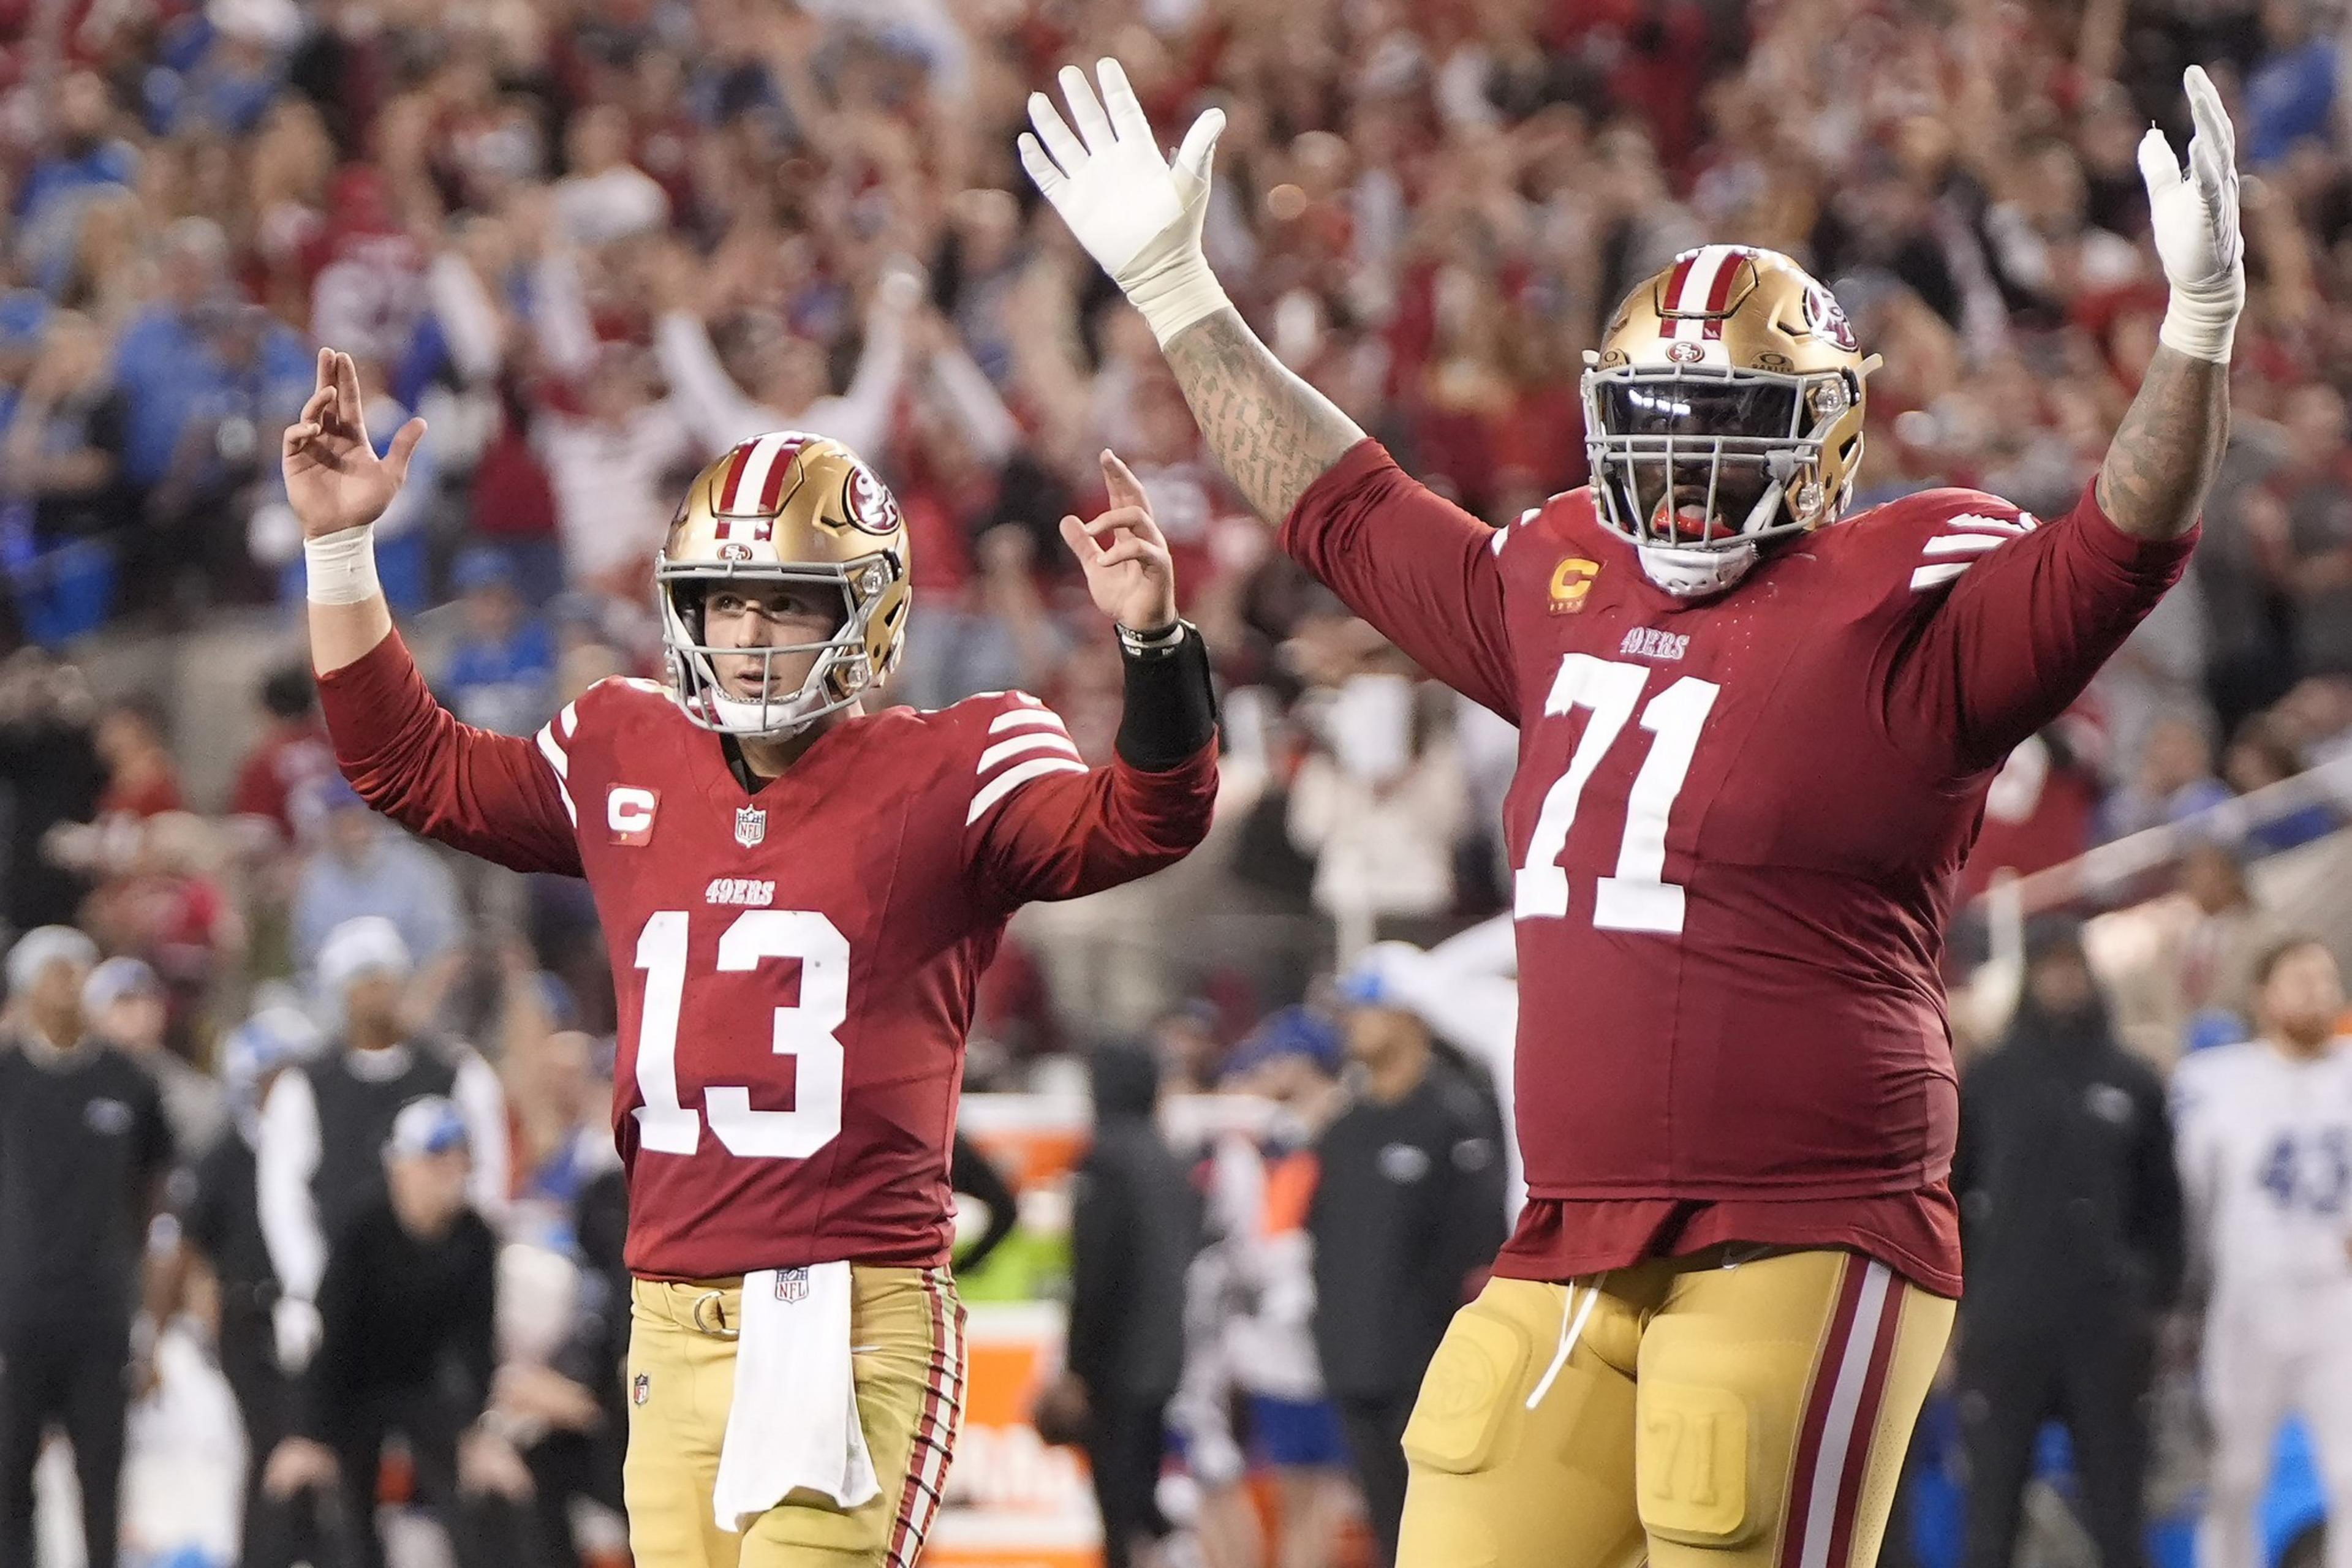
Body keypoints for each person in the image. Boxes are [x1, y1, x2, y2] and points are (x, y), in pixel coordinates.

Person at [1026, 56, 2240, 1568]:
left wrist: (2189, 340)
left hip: (1807, 1223)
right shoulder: (1558, 586)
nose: (1680, 474)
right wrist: (1175, 290)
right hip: (1573, 1227)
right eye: (1654, 425)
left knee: (1721, 1513)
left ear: (1826, 439)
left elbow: (2117, 548)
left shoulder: (1903, 612)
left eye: (1728, 426)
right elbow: (1337, 505)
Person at [281, 343, 1219, 1567]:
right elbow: (408, 763)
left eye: (784, 598)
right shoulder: (624, 746)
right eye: (724, 600)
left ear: (866, 610)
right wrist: (341, 550)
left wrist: (1151, 646)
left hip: (849, 1316)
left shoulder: (956, 762)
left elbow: (1146, 816)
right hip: (668, 1318)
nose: (746, 630)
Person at [1951, 919, 2184, 1568]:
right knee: (1990, 1515)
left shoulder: (2130, 1077)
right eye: (2049, 965)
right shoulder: (1990, 1077)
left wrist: (2157, 1303)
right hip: (2006, 1324)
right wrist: (1953, 1313)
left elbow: (2163, 1206)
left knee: (2118, 1515)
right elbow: (1949, 1196)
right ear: (2030, 976)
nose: (2063, 977)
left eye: (2072, 964)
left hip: (2105, 1326)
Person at [260, 1096, 529, 1568]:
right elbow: (332, 1341)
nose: (451, 1173)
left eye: (458, 1161)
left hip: (425, 1386)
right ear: (401, 1170)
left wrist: (480, 1431)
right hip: (353, 1390)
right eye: (435, 1162)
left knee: (489, 1500)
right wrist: (308, 1433)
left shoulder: (474, 1239)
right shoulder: (362, 1232)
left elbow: (475, 1346)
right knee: (318, 1505)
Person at [1309, 973, 1508, 1567]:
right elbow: (1322, 1243)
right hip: (1353, 1365)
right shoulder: (1342, 1129)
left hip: (1430, 1370)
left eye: (1369, 1008)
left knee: (1443, 1531)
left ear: (1412, 1018)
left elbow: (1479, 1251)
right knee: (1384, 1528)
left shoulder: (1455, 1118)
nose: (1353, 1022)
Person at [257, 914, 509, 1379]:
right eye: (363, 979)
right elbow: (283, 1198)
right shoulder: (305, 1086)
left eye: (385, 976)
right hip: (342, 1296)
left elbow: (489, 1180)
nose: (378, 990)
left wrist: (462, 1274)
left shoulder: (458, 1072)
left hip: (442, 1293)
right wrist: (315, 1285)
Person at [2171, 938, 2352, 1568]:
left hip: (2339, 1301)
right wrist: (2181, 1302)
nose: (2315, 991)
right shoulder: (2214, 1080)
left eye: (2325, 978)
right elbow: (2187, 1206)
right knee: (2233, 1477)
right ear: (2262, 995)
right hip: (2248, 1299)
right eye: (2298, 978)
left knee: (2350, 1473)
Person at [0, 925, 175, 1568]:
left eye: (77, 969)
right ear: (23, 987)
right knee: (9, 1487)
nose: (67, 983)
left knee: (102, 1486)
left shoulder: (130, 1080)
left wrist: (151, 1321)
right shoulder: (7, 1075)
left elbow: (155, 1203)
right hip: (14, 1317)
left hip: (101, 1315)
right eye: (53, 971)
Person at [1056, 1044, 1201, 1568]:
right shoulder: (1167, 1156)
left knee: (1118, 1515)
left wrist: (1076, 1368)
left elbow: (1096, 1275)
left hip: (1116, 1366)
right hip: (1162, 1358)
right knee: (1142, 1504)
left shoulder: (1105, 1158)